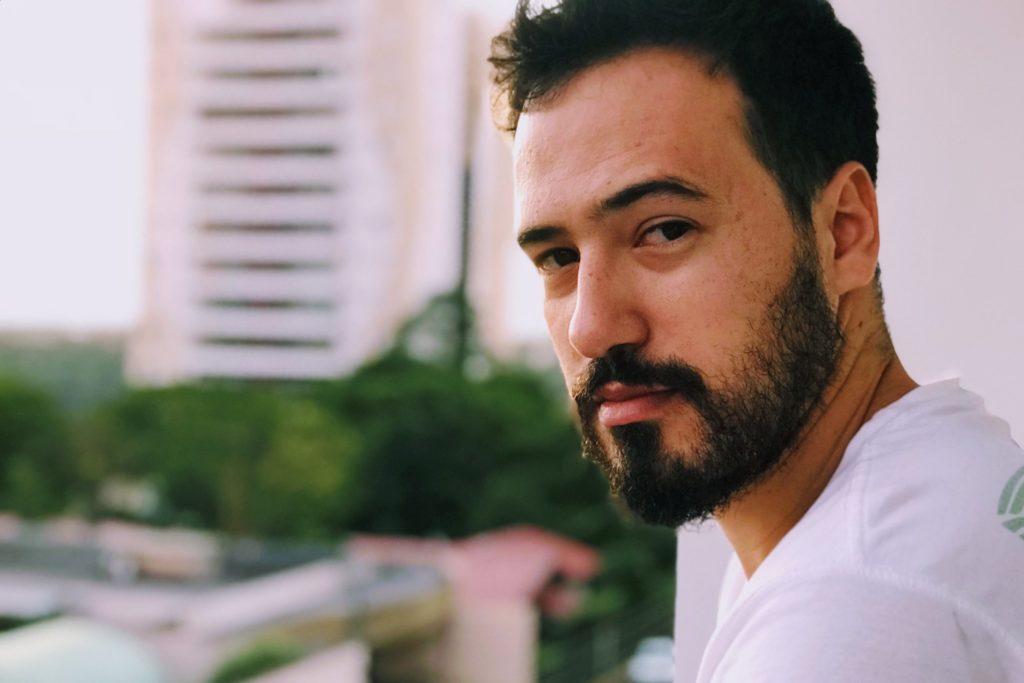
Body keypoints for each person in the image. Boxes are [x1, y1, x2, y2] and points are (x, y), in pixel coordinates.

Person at [488, 0, 1024, 680]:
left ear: (843, 233)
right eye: (558, 258)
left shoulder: (858, 613)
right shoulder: (948, 482)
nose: (591, 328)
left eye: (665, 230)